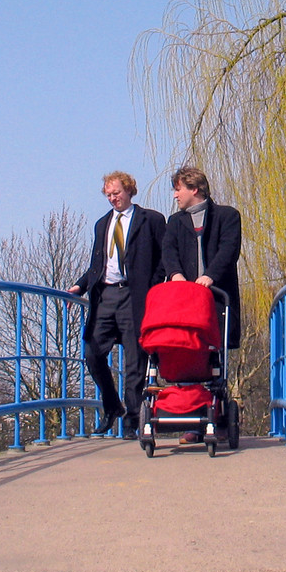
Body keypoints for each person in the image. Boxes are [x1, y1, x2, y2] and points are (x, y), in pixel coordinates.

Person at [70, 171, 165, 440]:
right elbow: (96, 264)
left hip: (135, 296)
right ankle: (113, 406)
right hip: (106, 296)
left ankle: (133, 420)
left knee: (136, 359)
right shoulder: (102, 224)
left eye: (117, 193)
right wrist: (81, 285)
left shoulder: (151, 220)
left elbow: (163, 258)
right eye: (108, 195)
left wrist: (153, 285)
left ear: (129, 191)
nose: (113, 199)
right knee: (92, 352)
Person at [161, 166, 243, 443]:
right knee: (190, 356)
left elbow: (228, 250)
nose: (175, 195)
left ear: (194, 189)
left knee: (217, 360)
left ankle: (218, 418)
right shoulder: (175, 222)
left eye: (178, 189)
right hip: (186, 301)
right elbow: (168, 252)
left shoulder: (227, 216)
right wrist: (177, 276)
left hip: (217, 296)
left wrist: (209, 276)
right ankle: (194, 422)